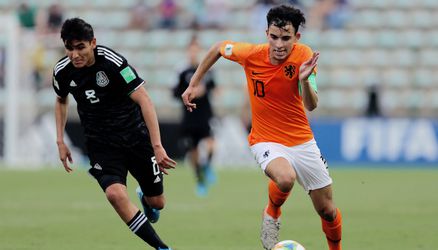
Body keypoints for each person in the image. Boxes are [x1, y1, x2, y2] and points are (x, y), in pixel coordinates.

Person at [182, 5, 342, 250]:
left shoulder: (304, 56)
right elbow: (217, 48)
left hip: (302, 141)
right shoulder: (250, 53)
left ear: (297, 37)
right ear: (266, 32)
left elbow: (311, 105)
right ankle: (272, 212)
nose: (279, 44)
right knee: (286, 178)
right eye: (274, 37)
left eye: (286, 38)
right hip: (265, 139)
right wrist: (194, 83)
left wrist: (305, 82)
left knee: (328, 210)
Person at [52, 18, 175, 250]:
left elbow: (144, 100)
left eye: (80, 47)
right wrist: (60, 139)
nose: (75, 54)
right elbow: (61, 100)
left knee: (157, 202)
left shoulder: (113, 63)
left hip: (135, 136)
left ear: (93, 43)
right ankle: (161, 247)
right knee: (115, 195)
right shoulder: (62, 71)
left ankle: (147, 199)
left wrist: (157, 146)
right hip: (101, 143)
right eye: (69, 48)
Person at [173, 36, 217, 196]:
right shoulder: (182, 71)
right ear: (188, 51)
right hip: (189, 115)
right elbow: (175, 92)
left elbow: (214, 86)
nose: (193, 53)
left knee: (212, 144)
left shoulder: (206, 69)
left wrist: (205, 90)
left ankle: (207, 167)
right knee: (194, 152)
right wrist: (189, 94)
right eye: (191, 49)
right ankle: (200, 181)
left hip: (205, 114)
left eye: (195, 49)